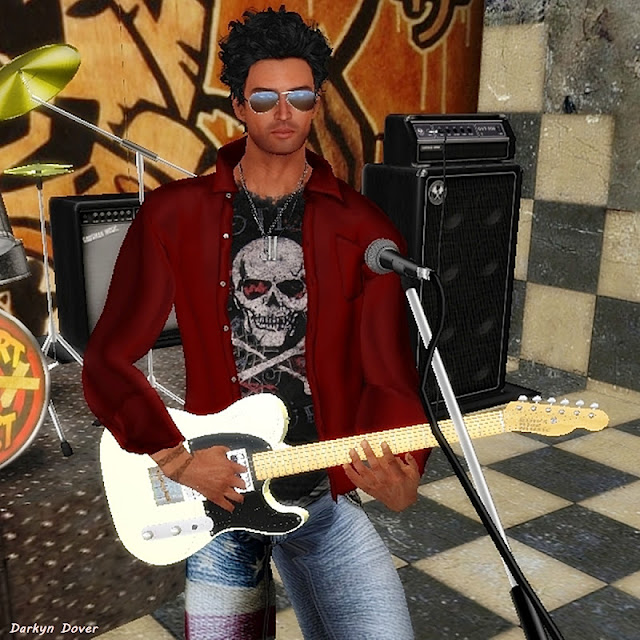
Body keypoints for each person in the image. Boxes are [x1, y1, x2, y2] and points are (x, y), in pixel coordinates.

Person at [83, 6, 430, 639]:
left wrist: (407, 467)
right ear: (239, 105)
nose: (283, 112)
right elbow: (108, 356)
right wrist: (176, 458)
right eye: (265, 97)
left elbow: (389, 374)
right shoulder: (173, 214)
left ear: (317, 102)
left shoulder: (363, 228)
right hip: (215, 499)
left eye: (300, 96)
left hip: (321, 499)